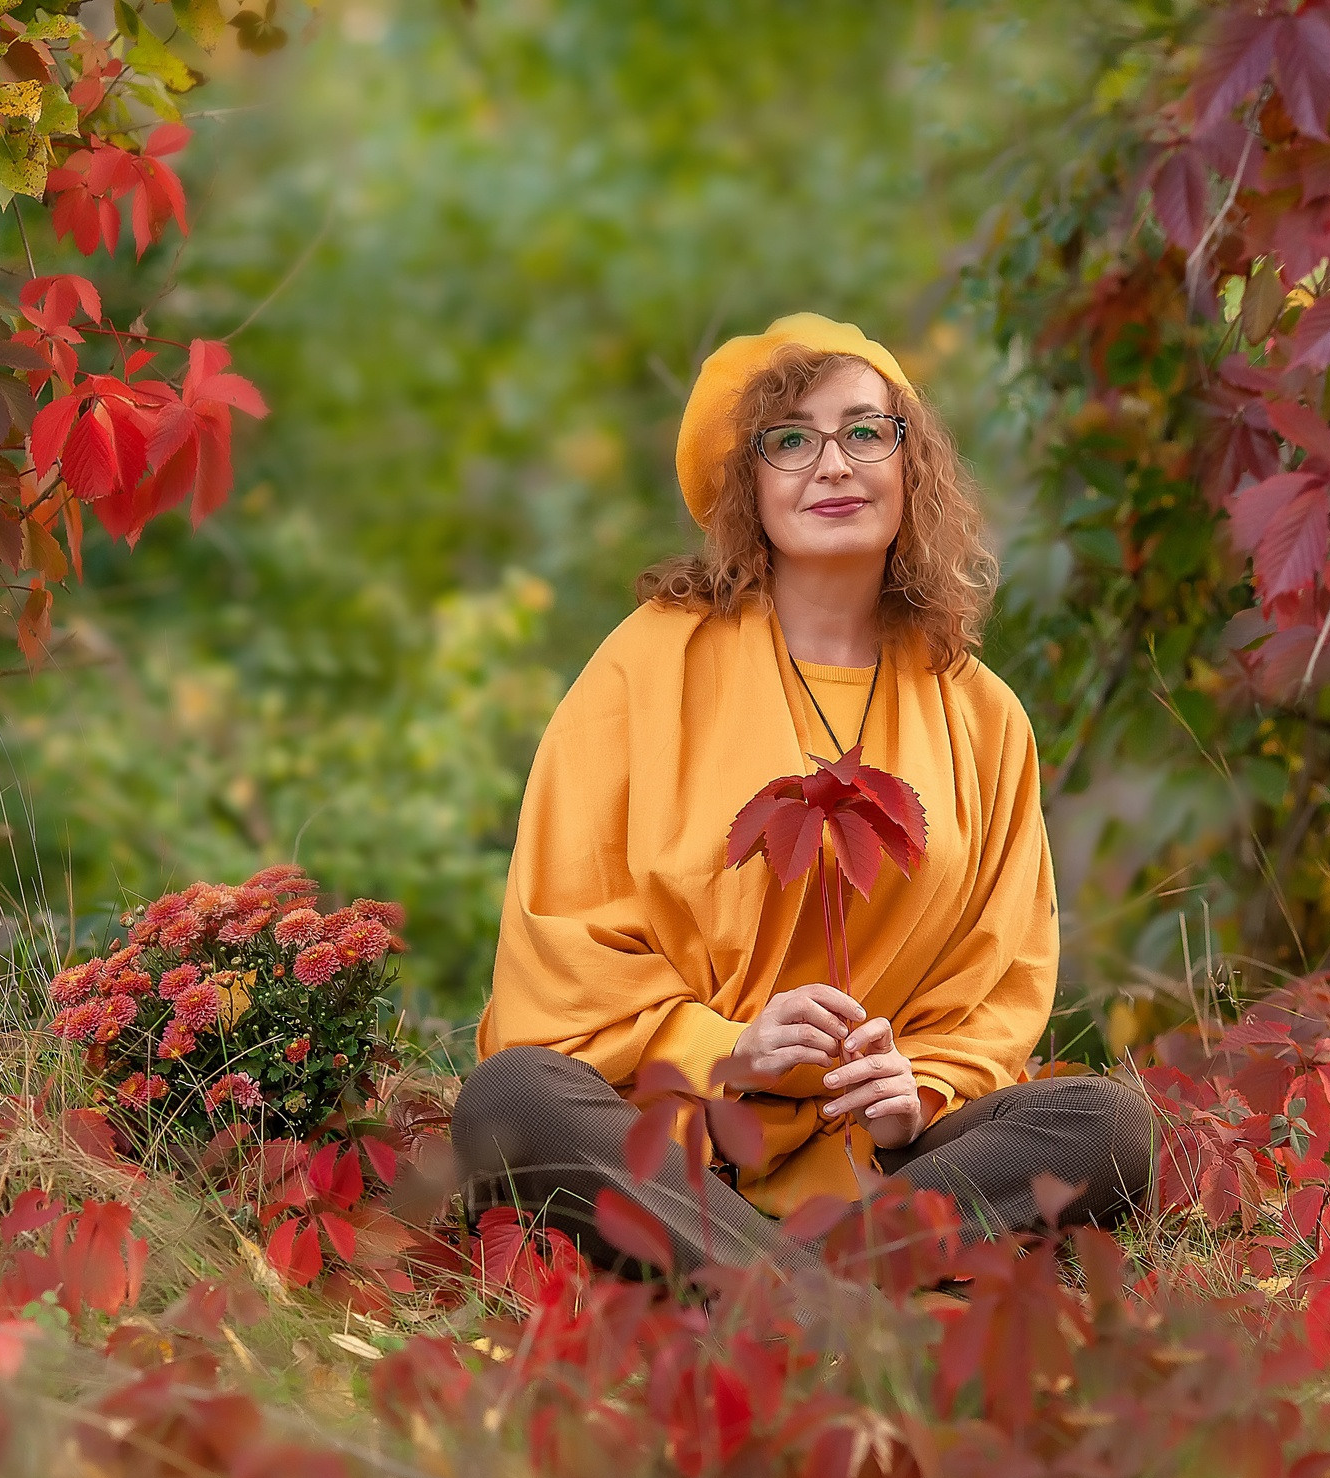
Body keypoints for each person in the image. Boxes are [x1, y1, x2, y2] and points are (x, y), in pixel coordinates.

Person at [456, 312, 1151, 1273]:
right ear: (749, 484)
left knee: (1106, 1120)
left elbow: (1001, 980)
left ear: (912, 463)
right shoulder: (646, 665)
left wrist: (923, 1088)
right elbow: (557, 949)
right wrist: (729, 1047)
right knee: (511, 1100)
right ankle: (832, 1313)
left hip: (883, 1161)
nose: (834, 464)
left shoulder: (982, 714)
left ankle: (771, 1297)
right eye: (791, 440)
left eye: (866, 431)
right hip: (667, 1138)